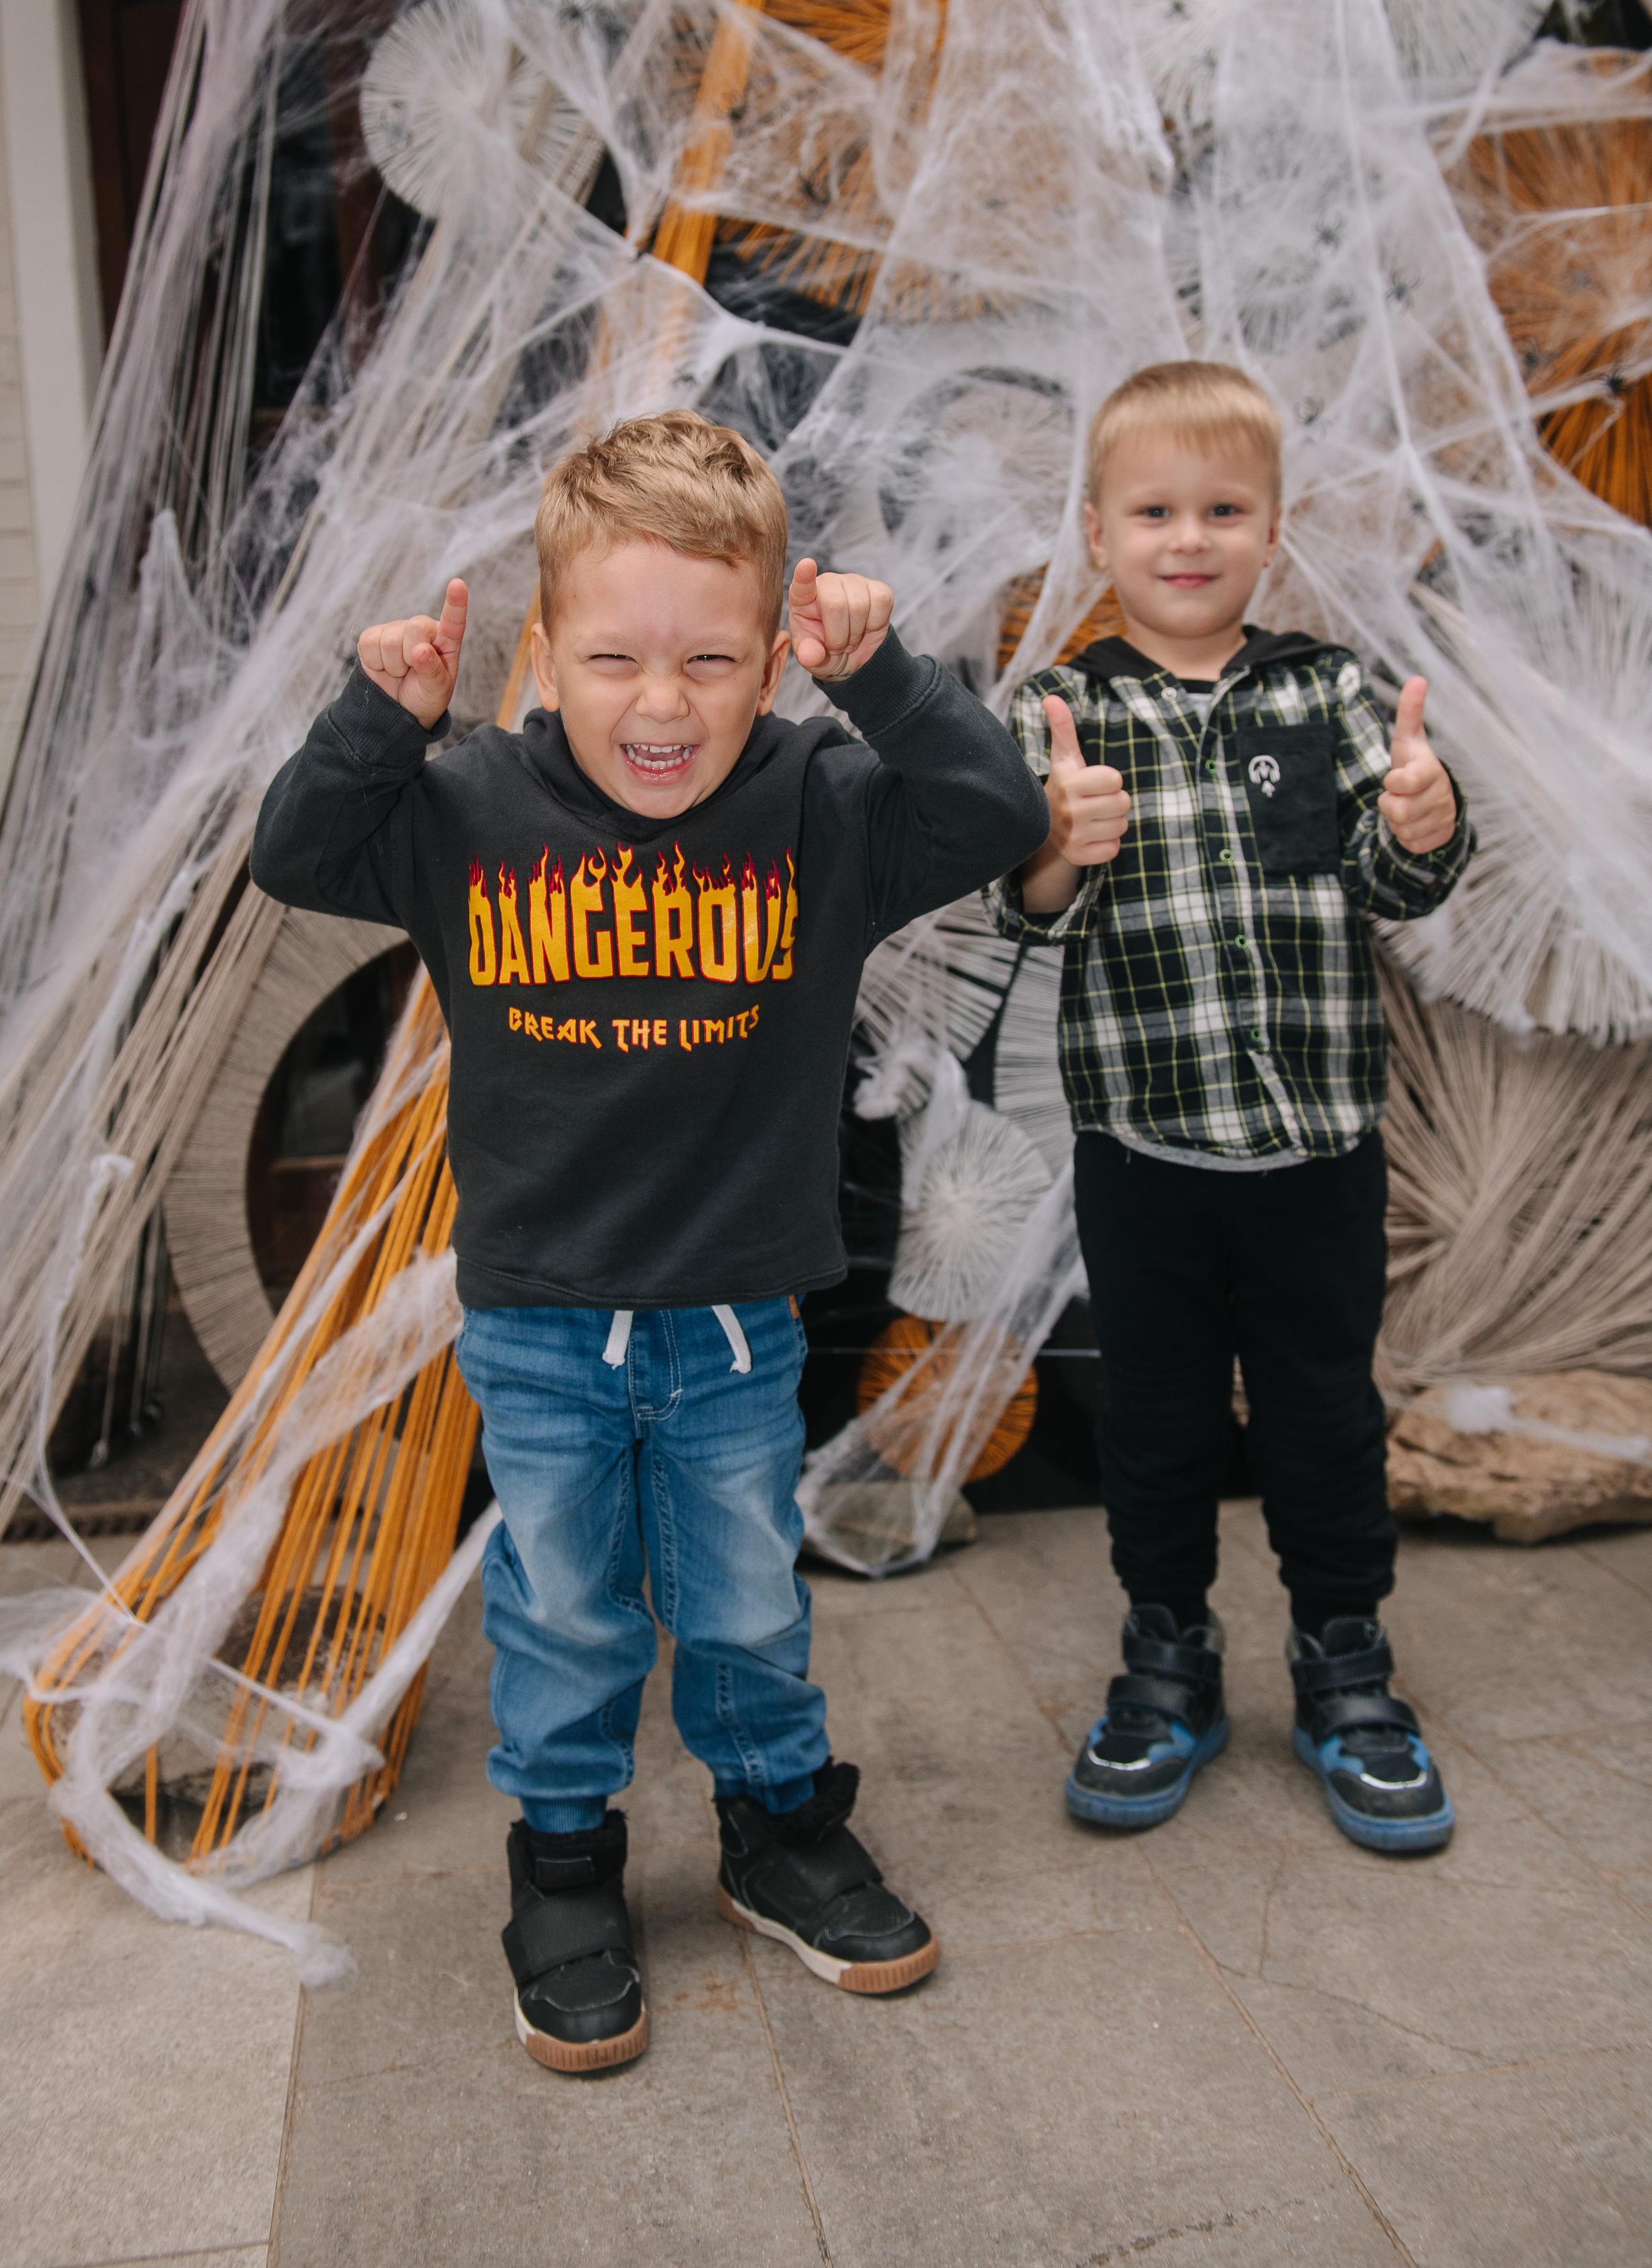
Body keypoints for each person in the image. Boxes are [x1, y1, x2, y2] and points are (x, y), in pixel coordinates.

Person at [252, 408, 1049, 2069]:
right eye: (612, 658)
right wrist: (375, 717)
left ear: (774, 660)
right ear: (541, 651)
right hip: (541, 1319)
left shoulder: (819, 803)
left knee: (749, 1594)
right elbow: (297, 851)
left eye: (712, 659)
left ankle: (776, 1828)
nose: (662, 702)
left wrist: (884, 676)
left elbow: (984, 815)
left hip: (737, 1320)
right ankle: (564, 1863)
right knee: (562, 1610)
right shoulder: (466, 805)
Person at [989, 360, 1473, 1856]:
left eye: (1219, 509)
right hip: (1143, 1149)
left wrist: (1419, 824)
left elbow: (1393, 889)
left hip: (1315, 1146)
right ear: (1095, 530)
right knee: (1159, 1414)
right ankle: (1166, 1653)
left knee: (1323, 1410)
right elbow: (1030, 919)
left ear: (1270, 529)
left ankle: (1345, 1661)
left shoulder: (1324, 691)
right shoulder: (1061, 709)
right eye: (1151, 510)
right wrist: (1058, 847)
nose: (1184, 537)